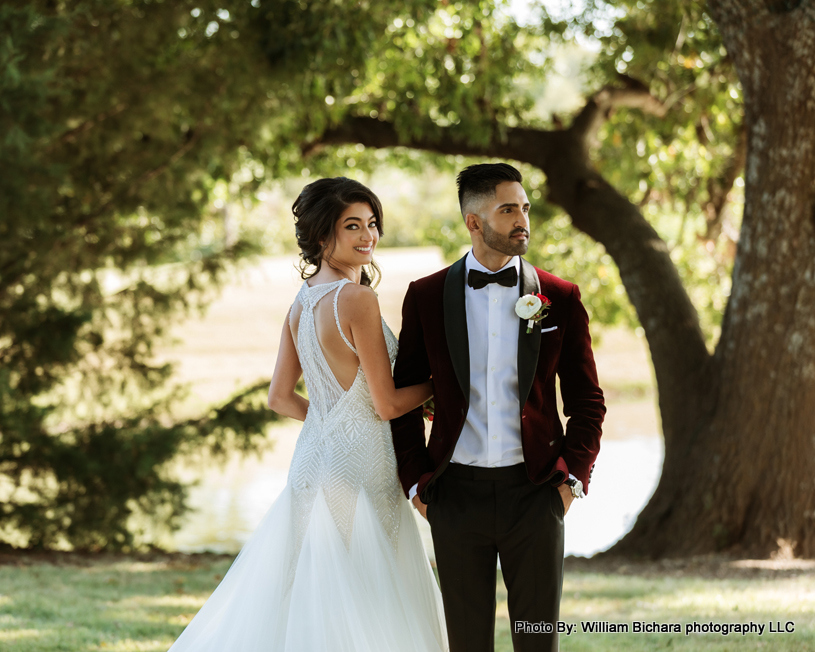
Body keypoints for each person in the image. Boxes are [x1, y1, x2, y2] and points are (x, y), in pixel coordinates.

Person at [167, 177, 448, 652]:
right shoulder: (357, 300)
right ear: (322, 236)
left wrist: (333, 419)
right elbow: (387, 404)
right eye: (353, 226)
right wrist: (445, 387)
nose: (368, 236)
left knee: (311, 601)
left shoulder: (302, 302)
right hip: (359, 472)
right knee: (365, 603)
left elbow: (279, 397)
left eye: (372, 224)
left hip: (312, 466)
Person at [390, 162, 605, 652]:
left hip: (535, 493)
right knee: (466, 643)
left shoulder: (561, 297)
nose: (522, 220)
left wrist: (571, 480)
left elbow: (588, 401)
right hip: (453, 495)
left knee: (537, 642)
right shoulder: (425, 297)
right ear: (474, 221)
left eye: (524, 208)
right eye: (508, 210)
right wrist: (417, 484)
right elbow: (403, 401)